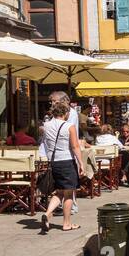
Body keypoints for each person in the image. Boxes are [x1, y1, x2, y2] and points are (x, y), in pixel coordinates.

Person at [39, 98, 83, 233]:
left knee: (59, 191)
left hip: (53, 162)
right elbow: (75, 146)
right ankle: (67, 223)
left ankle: (47, 213)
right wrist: (81, 163)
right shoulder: (69, 126)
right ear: (66, 113)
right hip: (67, 161)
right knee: (69, 193)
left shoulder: (45, 126)